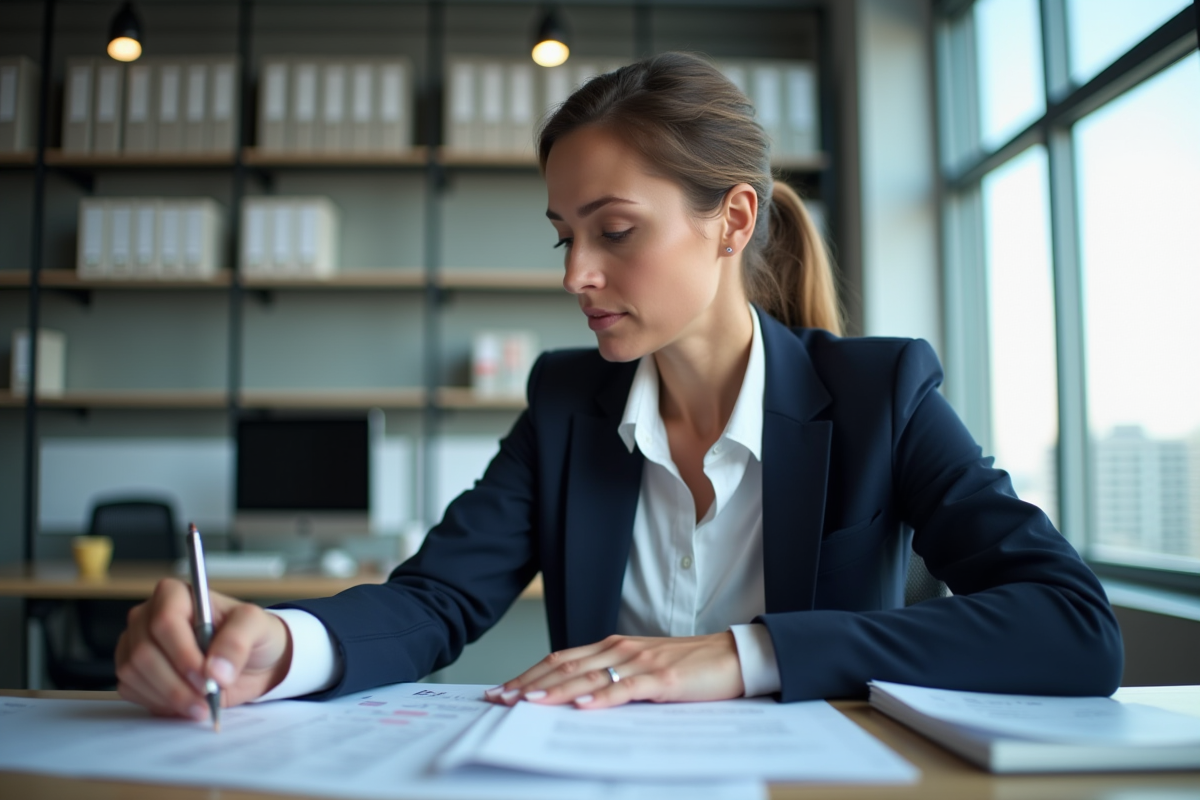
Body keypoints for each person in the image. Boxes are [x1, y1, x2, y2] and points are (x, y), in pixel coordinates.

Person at [115, 53, 1122, 721]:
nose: (574, 276)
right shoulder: (566, 403)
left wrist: (739, 654)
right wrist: (283, 642)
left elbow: (1072, 622)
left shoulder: (878, 393)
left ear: (732, 221)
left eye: (615, 230)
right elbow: (434, 600)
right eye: (565, 237)